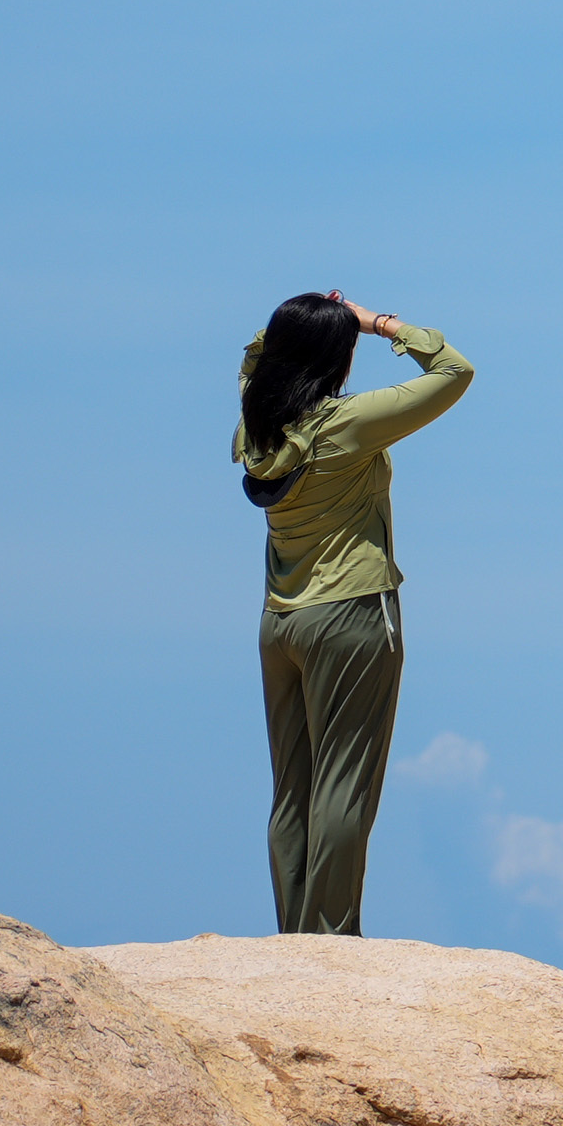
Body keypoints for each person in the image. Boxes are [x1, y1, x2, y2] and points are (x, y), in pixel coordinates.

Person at [233, 290, 475, 935]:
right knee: (345, 783)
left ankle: (294, 934)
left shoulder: (257, 422)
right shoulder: (346, 423)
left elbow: (257, 359)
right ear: (337, 359)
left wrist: (303, 321)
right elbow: (455, 372)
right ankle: (331, 937)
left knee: (293, 789)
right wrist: (380, 324)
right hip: (351, 617)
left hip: (279, 622)